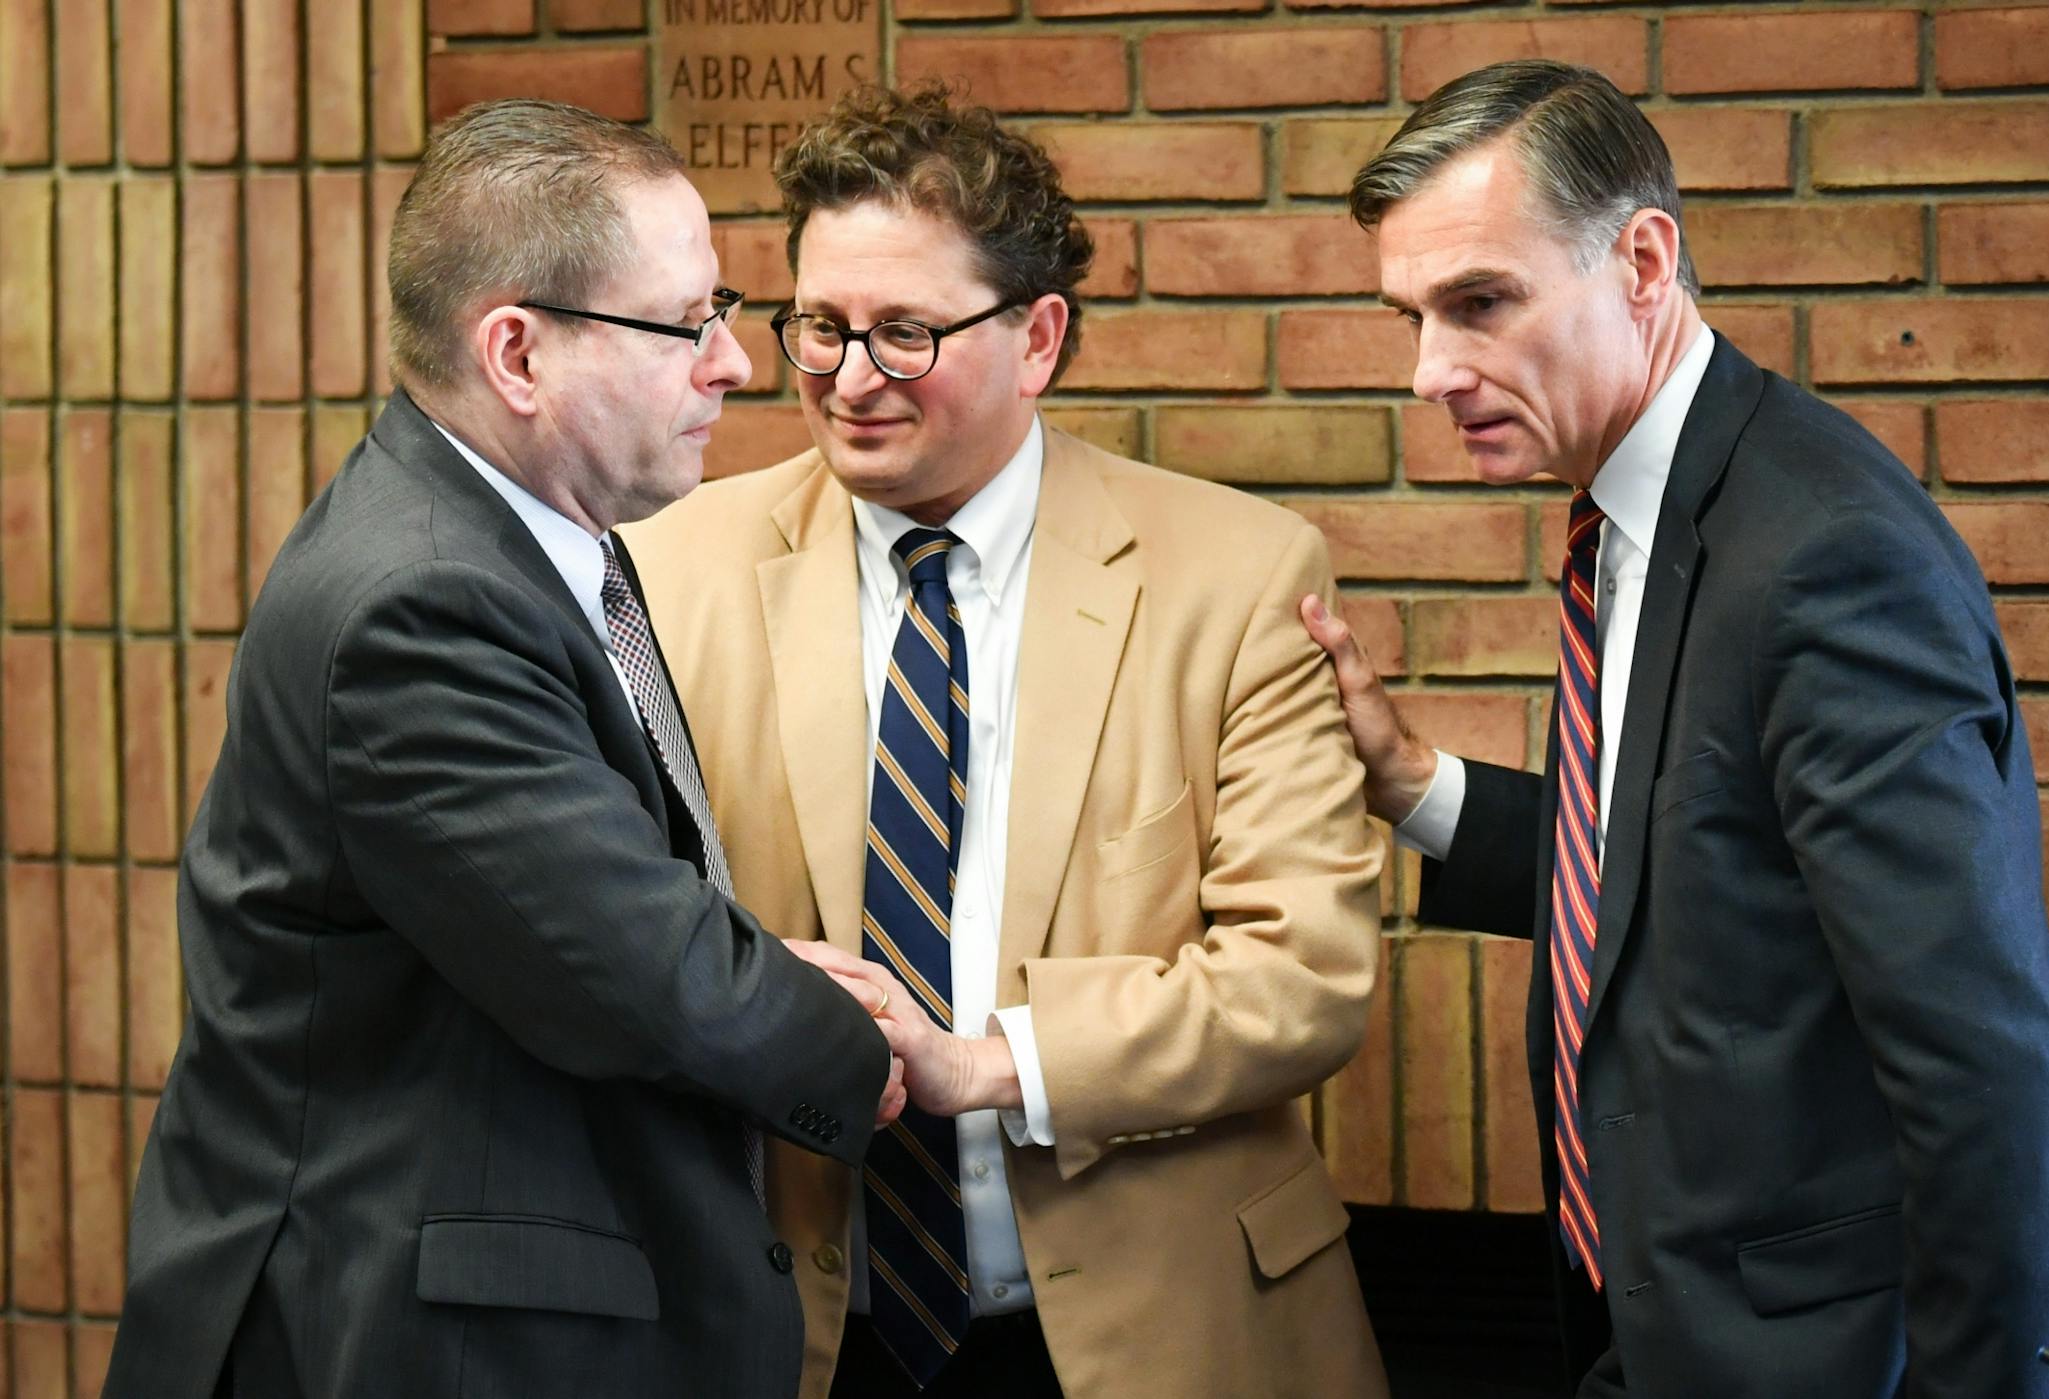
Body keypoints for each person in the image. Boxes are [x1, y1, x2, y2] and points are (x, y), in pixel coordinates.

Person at [1297, 59, 2049, 1398]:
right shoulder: (1644, 506)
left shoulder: (1826, 556)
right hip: (1673, 1327)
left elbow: (1985, 1067)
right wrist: (1413, 782)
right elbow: (1690, 874)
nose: (1430, 373)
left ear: (1643, 262)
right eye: (1411, 318)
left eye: (1480, 304)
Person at [102, 100, 898, 1399]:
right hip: (407, 1344)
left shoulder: (522, 542)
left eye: (726, 307)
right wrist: (872, 1049)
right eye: (683, 322)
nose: (734, 364)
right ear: (518, 354)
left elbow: (586, 919)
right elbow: (644, 973)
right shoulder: (423, 603)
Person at [623, 84, 1388, 1399]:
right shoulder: (659, 570)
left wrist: (988, 1066)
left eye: (905, 333)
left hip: (1167, 1339)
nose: (850, 380)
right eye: (822, 327)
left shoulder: (1240, 576)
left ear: (1037, 338)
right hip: (793, 1337)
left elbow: (1302, 978)